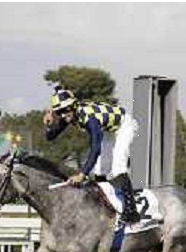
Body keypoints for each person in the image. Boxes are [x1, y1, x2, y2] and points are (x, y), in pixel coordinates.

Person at [43, 85, 140, 224]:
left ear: (73, 105)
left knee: (118, 167)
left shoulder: (90, 118)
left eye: (65, 110)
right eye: (59, 112)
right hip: (108, 130)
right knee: (99, 171)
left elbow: (95, 148)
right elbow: (50, 137)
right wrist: (48, 124)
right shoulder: (69, 114)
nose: (64, 115)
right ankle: (106, 205)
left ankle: (132, 211)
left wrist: (82, 174)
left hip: (124, 125)